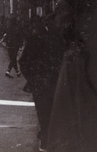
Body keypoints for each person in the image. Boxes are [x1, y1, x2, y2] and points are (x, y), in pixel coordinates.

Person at [19, 14, 63, 150]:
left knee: (43, 113)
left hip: (41, 84)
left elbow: (23, 62)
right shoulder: (59, 41)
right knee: (52, 113)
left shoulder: (36, 40)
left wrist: (32, 78)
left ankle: (45, 139)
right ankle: (48, 139)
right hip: (55, 83)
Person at [4, 14, 23, 78]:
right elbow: (20, 36)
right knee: (13, 58)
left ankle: (18, 72)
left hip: (9, 45)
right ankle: (8, 71)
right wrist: (21, 43)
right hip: (15, 45)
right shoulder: (17, 28)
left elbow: (6, 35)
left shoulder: (8, 28)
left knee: (13, 58)